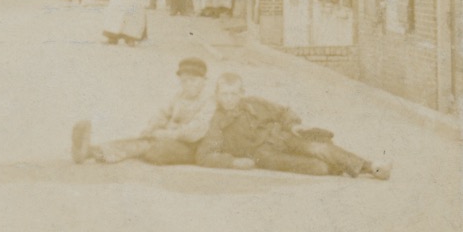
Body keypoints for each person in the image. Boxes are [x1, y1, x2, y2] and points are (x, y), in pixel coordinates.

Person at [195, 73, 391, 180]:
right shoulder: (216, 121)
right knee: (318, 167)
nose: (230, 99)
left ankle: (372, 167)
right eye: (225, 94)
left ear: (241, 93)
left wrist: (293, 125)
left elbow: (283, 112)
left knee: (318, 148)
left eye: (234, 94)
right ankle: (340, 165)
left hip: (282, 136)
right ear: (217, 95)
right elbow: (204, 155)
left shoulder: (254, 103)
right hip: (263, 155)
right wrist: (233, 162)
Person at [72, 57, 215, 165]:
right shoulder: (179, 96)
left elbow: (195, 132)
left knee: (150, 146)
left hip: (190, 147)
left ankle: (91, 152)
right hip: (170, 139)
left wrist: (167, 134)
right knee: (143, 142)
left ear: (204, 81)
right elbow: (163, 113)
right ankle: (91, 151)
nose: (188, 84)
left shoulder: (209, 101)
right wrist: (151, 127)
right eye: (184, 81)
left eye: (193, 80)